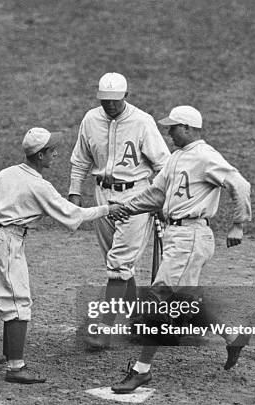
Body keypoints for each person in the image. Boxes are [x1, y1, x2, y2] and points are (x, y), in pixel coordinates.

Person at [110, 105, 252, 393]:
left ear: (187, 128)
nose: (168, 132)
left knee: (157, 300)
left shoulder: (205, 156)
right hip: (177, 236)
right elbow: (155, 195)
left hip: (190, 236)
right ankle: (233, 337)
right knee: (182, 301)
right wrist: (125, 207)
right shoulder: (176, 158)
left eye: (173, 127)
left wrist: (238, 223)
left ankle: (142, 370)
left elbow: (240, 183)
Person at [0, 127, 128, 384]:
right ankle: (15, 367)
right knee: (18, 303)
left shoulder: (6, 172)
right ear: (40, 155)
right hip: (6, 241)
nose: (56, 154)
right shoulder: (38, 186)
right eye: (51, 150)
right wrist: (107, 209)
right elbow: (72, 214)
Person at [68, 72, 170, 351]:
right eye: (105, 100)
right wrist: (75, 193)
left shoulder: (142, 122)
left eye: (114, 100)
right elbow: (80, 160)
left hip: (137, 196)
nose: (110, 105)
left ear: (126, 95)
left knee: (119, 265)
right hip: (102, 196)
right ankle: (138, 319)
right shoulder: (90, 119)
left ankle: (104, 328)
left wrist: (161, 202)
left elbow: (164, 166)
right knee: (118, 264)